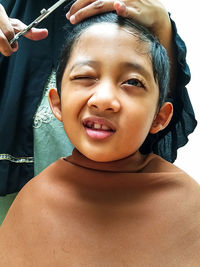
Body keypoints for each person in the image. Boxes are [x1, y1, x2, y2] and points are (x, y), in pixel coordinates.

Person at [0, 12, 200, 266]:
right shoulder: (33, 203)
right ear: (57, 103)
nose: (104, 100)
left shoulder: (188, 206)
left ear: (160, 117)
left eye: (132, 82)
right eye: (85, 77)